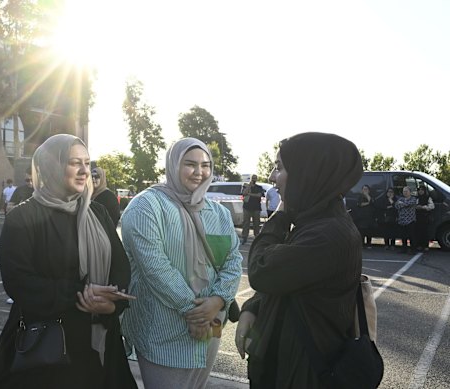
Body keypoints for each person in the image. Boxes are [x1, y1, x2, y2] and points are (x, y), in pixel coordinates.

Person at [0, 134, 137, 389]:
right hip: (50, 345)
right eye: (75, 163)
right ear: (52, 166)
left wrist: (112, 304)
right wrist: (81, 294)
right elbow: (18, 282)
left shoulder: (97, 213)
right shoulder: (24, 217)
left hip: (102, 338)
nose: (85, 171)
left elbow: (120, 266)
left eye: (87, 163)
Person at [235, 132, 363, 388]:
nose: (272, 177)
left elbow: (262, 269)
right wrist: (254, 306)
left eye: (279, 168)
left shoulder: (328, 234)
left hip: (304, 373)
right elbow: (292, 280)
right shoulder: (313, 222)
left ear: (307, 173)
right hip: (285, 366)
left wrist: (279, 215)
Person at [120, 138, 243, 389]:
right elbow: (155, 267)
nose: (199, 172)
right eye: (190, 164)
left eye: (205, 165)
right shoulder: (146, 207)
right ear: (173, 165)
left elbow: (233, 262)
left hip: (212, 327)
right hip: (164, 331)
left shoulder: (218, 213)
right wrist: (196, 313)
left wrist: (218, 301)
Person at [241, 174, 264, 245]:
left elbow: (259, 195)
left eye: (255, 178)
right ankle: (244, 237)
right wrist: (249, 187)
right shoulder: (245, 186)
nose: (254, 179)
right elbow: (244, 193)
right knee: (246, 223)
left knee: (256, 223)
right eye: (253, 178)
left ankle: (257, 237)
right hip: (247, 207)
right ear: (250, 179)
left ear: (256, 179)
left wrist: (250, 194)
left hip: (256, 208)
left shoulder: (259, 187)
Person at [395, 186, 418, 253]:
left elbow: (409, 204)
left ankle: (413, 249)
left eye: (406, 191)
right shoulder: (401, 199)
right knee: (403, 236)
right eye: (404, 191)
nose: (405, 192)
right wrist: (403, 204)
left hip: (410, 220)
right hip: (402, 220)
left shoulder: (413, 199)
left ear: (410, 192)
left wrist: (402, 204)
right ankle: (404, 249)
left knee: (411, 236)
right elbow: (396, 205)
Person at [355, 184, 376, 248]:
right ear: (362, 190)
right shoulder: (360, 196)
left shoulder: (371, 196)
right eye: (364, 189)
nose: (365, 190)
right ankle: (362, 244)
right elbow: (360, 204)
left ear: (369, 190)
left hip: (370, 217)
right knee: (362, 231)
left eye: (366, 189)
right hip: (362, 217)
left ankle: (369, 244)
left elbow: (372, 202)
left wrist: (367, 195)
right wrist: (368, 203)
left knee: (369, 231)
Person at [415, 185, 434, 252]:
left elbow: (432, 206)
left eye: (422, 190)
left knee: (425, 232)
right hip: (418, 217)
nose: (420, 191)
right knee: (418, 232)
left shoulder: (428, 197)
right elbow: (414, 205)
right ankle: (419, 245)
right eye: (419, 190)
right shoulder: (416, 198)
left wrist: (423, 207)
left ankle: (425, 246)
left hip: (425, 216)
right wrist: (417, 207)